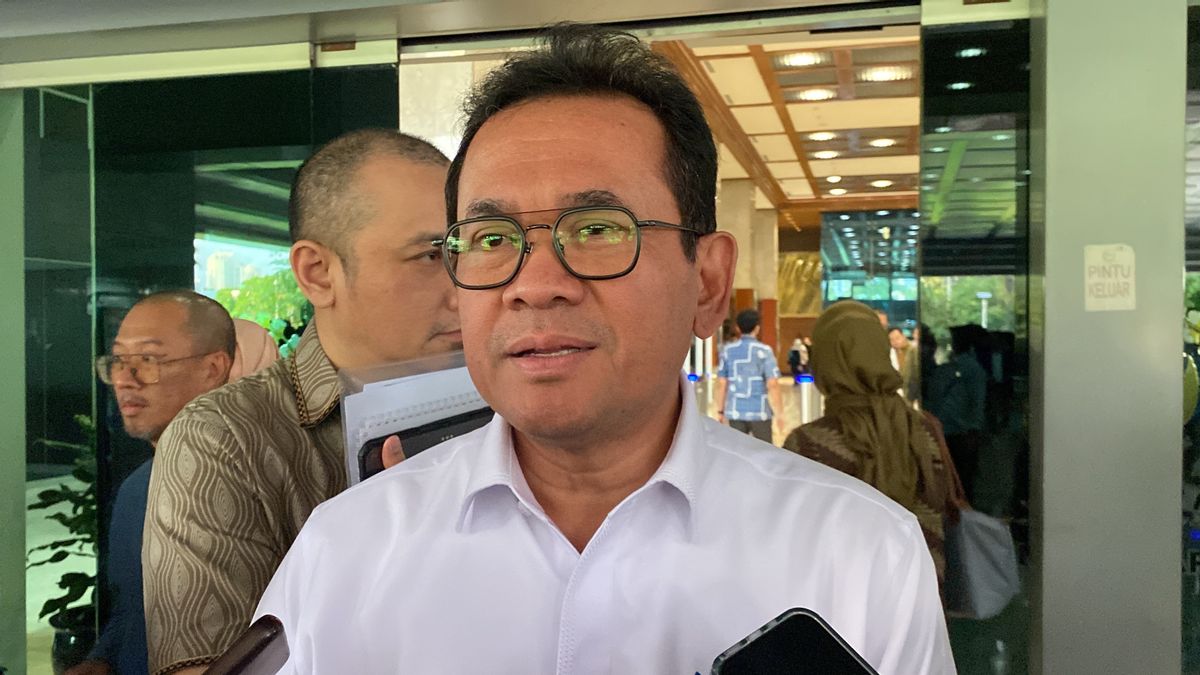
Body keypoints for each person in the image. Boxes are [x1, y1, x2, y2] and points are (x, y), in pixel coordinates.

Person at [253, 24, 954, 674]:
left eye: (596, 228)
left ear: (708, 283)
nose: (535, 285)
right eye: (492, 239)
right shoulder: (345, 550)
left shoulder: (859, 554)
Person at [142, 129, 461, 675]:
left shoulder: (508, 405)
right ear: (318, 273)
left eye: (467, 250)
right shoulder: (228, 438)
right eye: (430, 256)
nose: (466, 286)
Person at [66, 291, 236, 675]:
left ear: (213, 368)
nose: (124, 379)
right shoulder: (135, 490)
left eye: (148, 360)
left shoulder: (251, 484)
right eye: (118, 361)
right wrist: (101, 660)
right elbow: (133, 610)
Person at [782, 301, 954, 580]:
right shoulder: (925, 429)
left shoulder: (807, 445)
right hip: (924, 591)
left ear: (825, 361)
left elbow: (794, 542)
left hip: (842, 598)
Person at [926, 324, 989, 503]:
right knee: (961, 479)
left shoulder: (964, 368)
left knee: (956, 479)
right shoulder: (965, 367)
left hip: (956, 432)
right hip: (957, 431)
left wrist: (973, 428)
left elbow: (976, 401)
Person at [715, 308, 784, 442]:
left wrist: (720, 411)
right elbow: (772, 384)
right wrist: (780, 414)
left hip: (735, 411)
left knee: (737, 451)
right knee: (764, 451)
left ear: (738, 327)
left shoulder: (727, 351)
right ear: (757, 328)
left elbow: (722, 383)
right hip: (760, 411)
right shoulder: (764, 351)